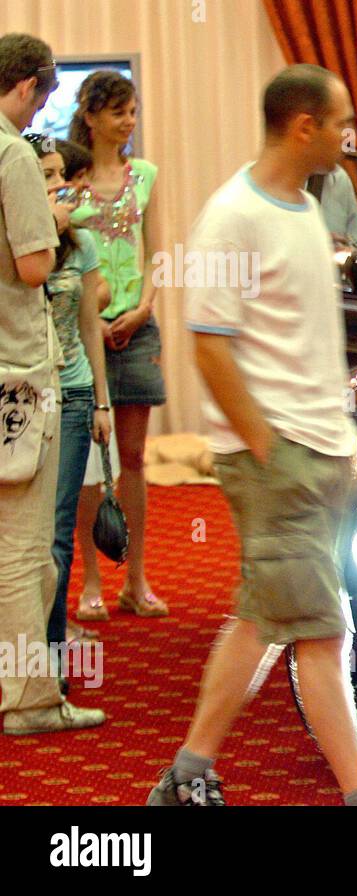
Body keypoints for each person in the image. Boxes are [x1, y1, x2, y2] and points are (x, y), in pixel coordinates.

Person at [150, 64, 357, 806]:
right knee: (322, 632)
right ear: (303, 127)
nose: (349, 138)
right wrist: (268, 448)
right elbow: (206, 345)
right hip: (277, 462)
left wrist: (335, 443)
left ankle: (188, 774)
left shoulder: (301, 207)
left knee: (262, 620)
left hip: (316, 453)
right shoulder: (233, 216)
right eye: (340, 123)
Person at [0, 32, 105, 734]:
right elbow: (36, 265)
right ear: (34, 87)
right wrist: (58, 217)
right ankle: (30, 699)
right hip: (14, 373)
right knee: (23, 547)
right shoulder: (10, 153)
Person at [69, 70, 167, 618]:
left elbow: (156, 249)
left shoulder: (146, 175)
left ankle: (137, 577)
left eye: (133, 112)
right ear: (91, 116)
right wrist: (94, 318)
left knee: (132, 457)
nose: (129, 122)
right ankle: (89, 582)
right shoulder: (71, 178)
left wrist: (145, 306)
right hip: (84, 329)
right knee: (88, 460)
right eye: (118, 112)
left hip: (136, 326)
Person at [26, 136, 112, 655]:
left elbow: (88, 327)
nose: (61, 184)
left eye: (61, 173)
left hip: (75, 394)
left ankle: (49, 665)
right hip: (18, 397)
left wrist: (101, 401)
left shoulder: (81, 243)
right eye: (48, 175)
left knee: (58, 533)